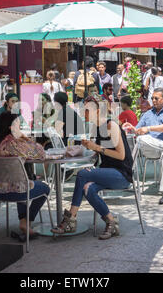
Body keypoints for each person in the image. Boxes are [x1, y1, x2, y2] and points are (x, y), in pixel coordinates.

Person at [51, 96, 134, 240]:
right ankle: (111, 221)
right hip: (108, 172)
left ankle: (70, 218)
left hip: (121, 174)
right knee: (87, 188)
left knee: (83, 175)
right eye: (84, 110)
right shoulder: (96, 128)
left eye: (87, 110)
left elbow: (121, 156)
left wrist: (96, 147)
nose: (84, 114)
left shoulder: (111, 126)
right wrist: (85, 149)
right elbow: (99, 152)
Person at [0, 111, 50, 241]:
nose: (20, 126)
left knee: (21, 182)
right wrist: (24, 137)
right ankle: (27, 222)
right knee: (45, 188)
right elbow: (41, 153)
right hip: (17, 192)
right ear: (11, 127)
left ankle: (23, 221)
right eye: (18, 124)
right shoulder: (15, 144)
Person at [123, 88, 163, 205]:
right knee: (140, 139)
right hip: (153, 148)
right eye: (152, 98)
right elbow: (138, 131)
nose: (153, 100)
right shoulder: (147, 114)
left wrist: (149, 128)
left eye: (156, 98)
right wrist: (132, 128)